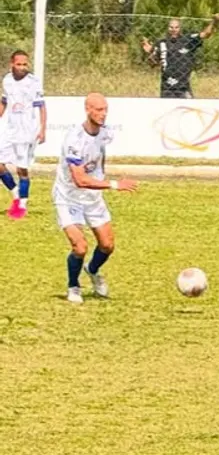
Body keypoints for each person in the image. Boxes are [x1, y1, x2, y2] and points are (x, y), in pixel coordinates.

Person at [52, 93, 138, 304]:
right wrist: (114, 184)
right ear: (87, 109)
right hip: (69, 196)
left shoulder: (105, 133)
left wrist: (101, 177)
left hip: (93, 198)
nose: (103, 114)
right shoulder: (74, 139)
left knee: (107, 246)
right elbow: (79, 179)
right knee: (79, 246)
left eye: (105, 109)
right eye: (98, 109)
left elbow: (100, 157)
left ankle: (91, 270)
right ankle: (73, 286)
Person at [0, 49, 46, 220]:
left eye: (25, 64)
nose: (22, 67)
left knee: (22, 169)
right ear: (12, 64)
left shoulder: (33, 82)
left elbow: (41, 105)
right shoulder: (7, 80)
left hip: (27, 131)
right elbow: (4, 102)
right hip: (10, 129)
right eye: (18, 64)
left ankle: (22, 206)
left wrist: (42, 129)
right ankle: (15, 195)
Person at [141, 14, 219, 99]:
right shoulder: (161, 43)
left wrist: (214, 22)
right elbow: (153, 64)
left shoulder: (188, 40)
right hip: (166, 87)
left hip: (183, 86)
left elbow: (206, 34)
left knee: (188, 110)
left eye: (176, 27)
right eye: (171, 27)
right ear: (168, 28)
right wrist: (150, 53)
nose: (173, 30)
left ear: (180, 28)